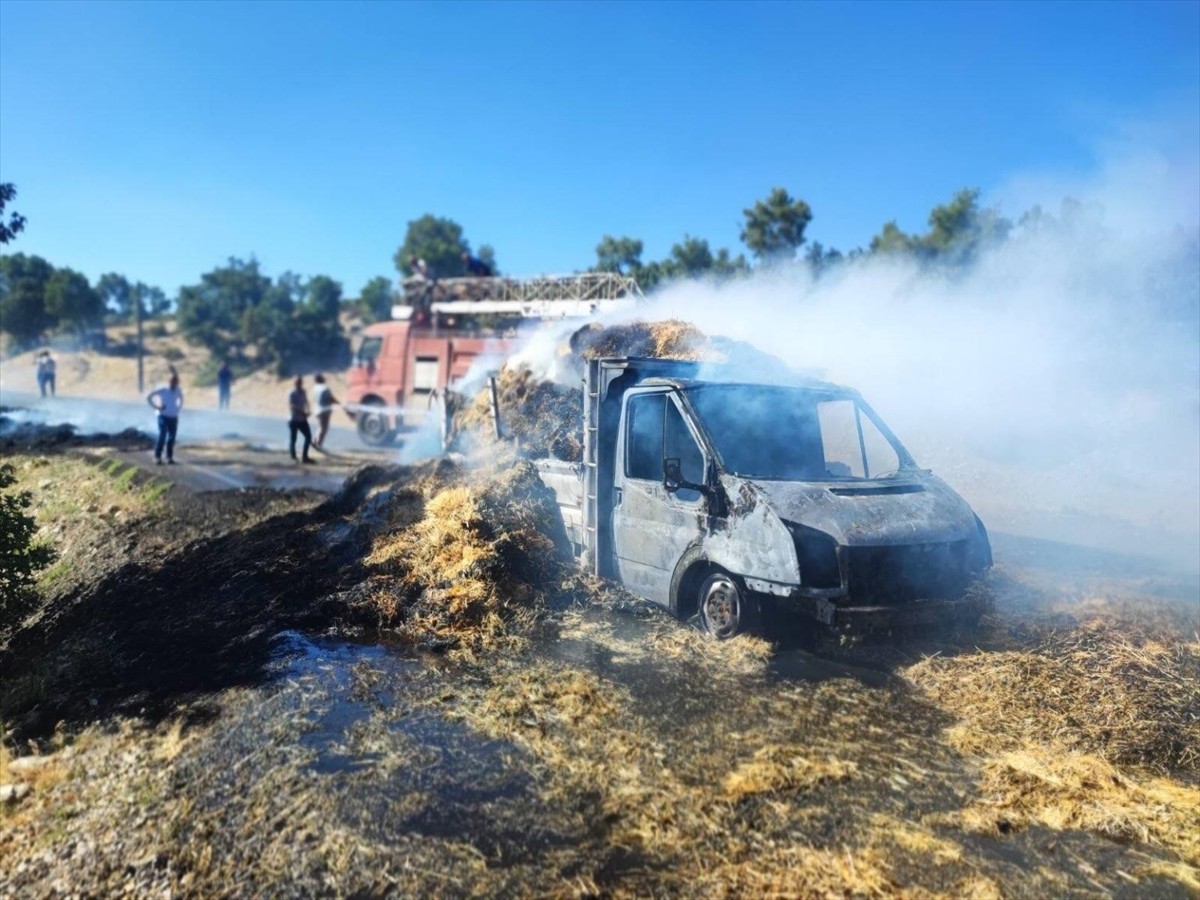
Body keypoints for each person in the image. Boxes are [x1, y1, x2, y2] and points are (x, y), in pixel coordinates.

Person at [147, 373, 184, 465]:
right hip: (163, 416)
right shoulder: (163, 390)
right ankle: (157, 456)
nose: (174, 383)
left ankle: (169, 457)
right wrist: (156, 406)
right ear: (169, 381)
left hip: (173, 417)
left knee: (171, 437)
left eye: (175, 382)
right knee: (162, 435)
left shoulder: (177, 391)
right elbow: (149, 397)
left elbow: (181, 399)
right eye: (172, 381)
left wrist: (177, 409)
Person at [288, 376, 316, 464]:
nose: (299, 384)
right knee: (293, 439)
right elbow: (292, 406)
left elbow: (306, 402)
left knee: (308, 437)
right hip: (294, 419)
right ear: (295, 383)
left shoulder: (303, 392)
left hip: (302, 419)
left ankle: (305, 457)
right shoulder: (292, 393)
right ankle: (293, 456)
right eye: (298, 382)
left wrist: (308, 411)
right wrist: (302, 412)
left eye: (300, 382)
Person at [313, 373, 339, 450]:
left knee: (320, 427)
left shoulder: (315, 388)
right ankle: (319, 444)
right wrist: (338, 403)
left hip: (317, 410)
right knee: (323, 428)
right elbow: (331, 398)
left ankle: (314, 441)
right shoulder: (324, 388)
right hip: (324, 410)